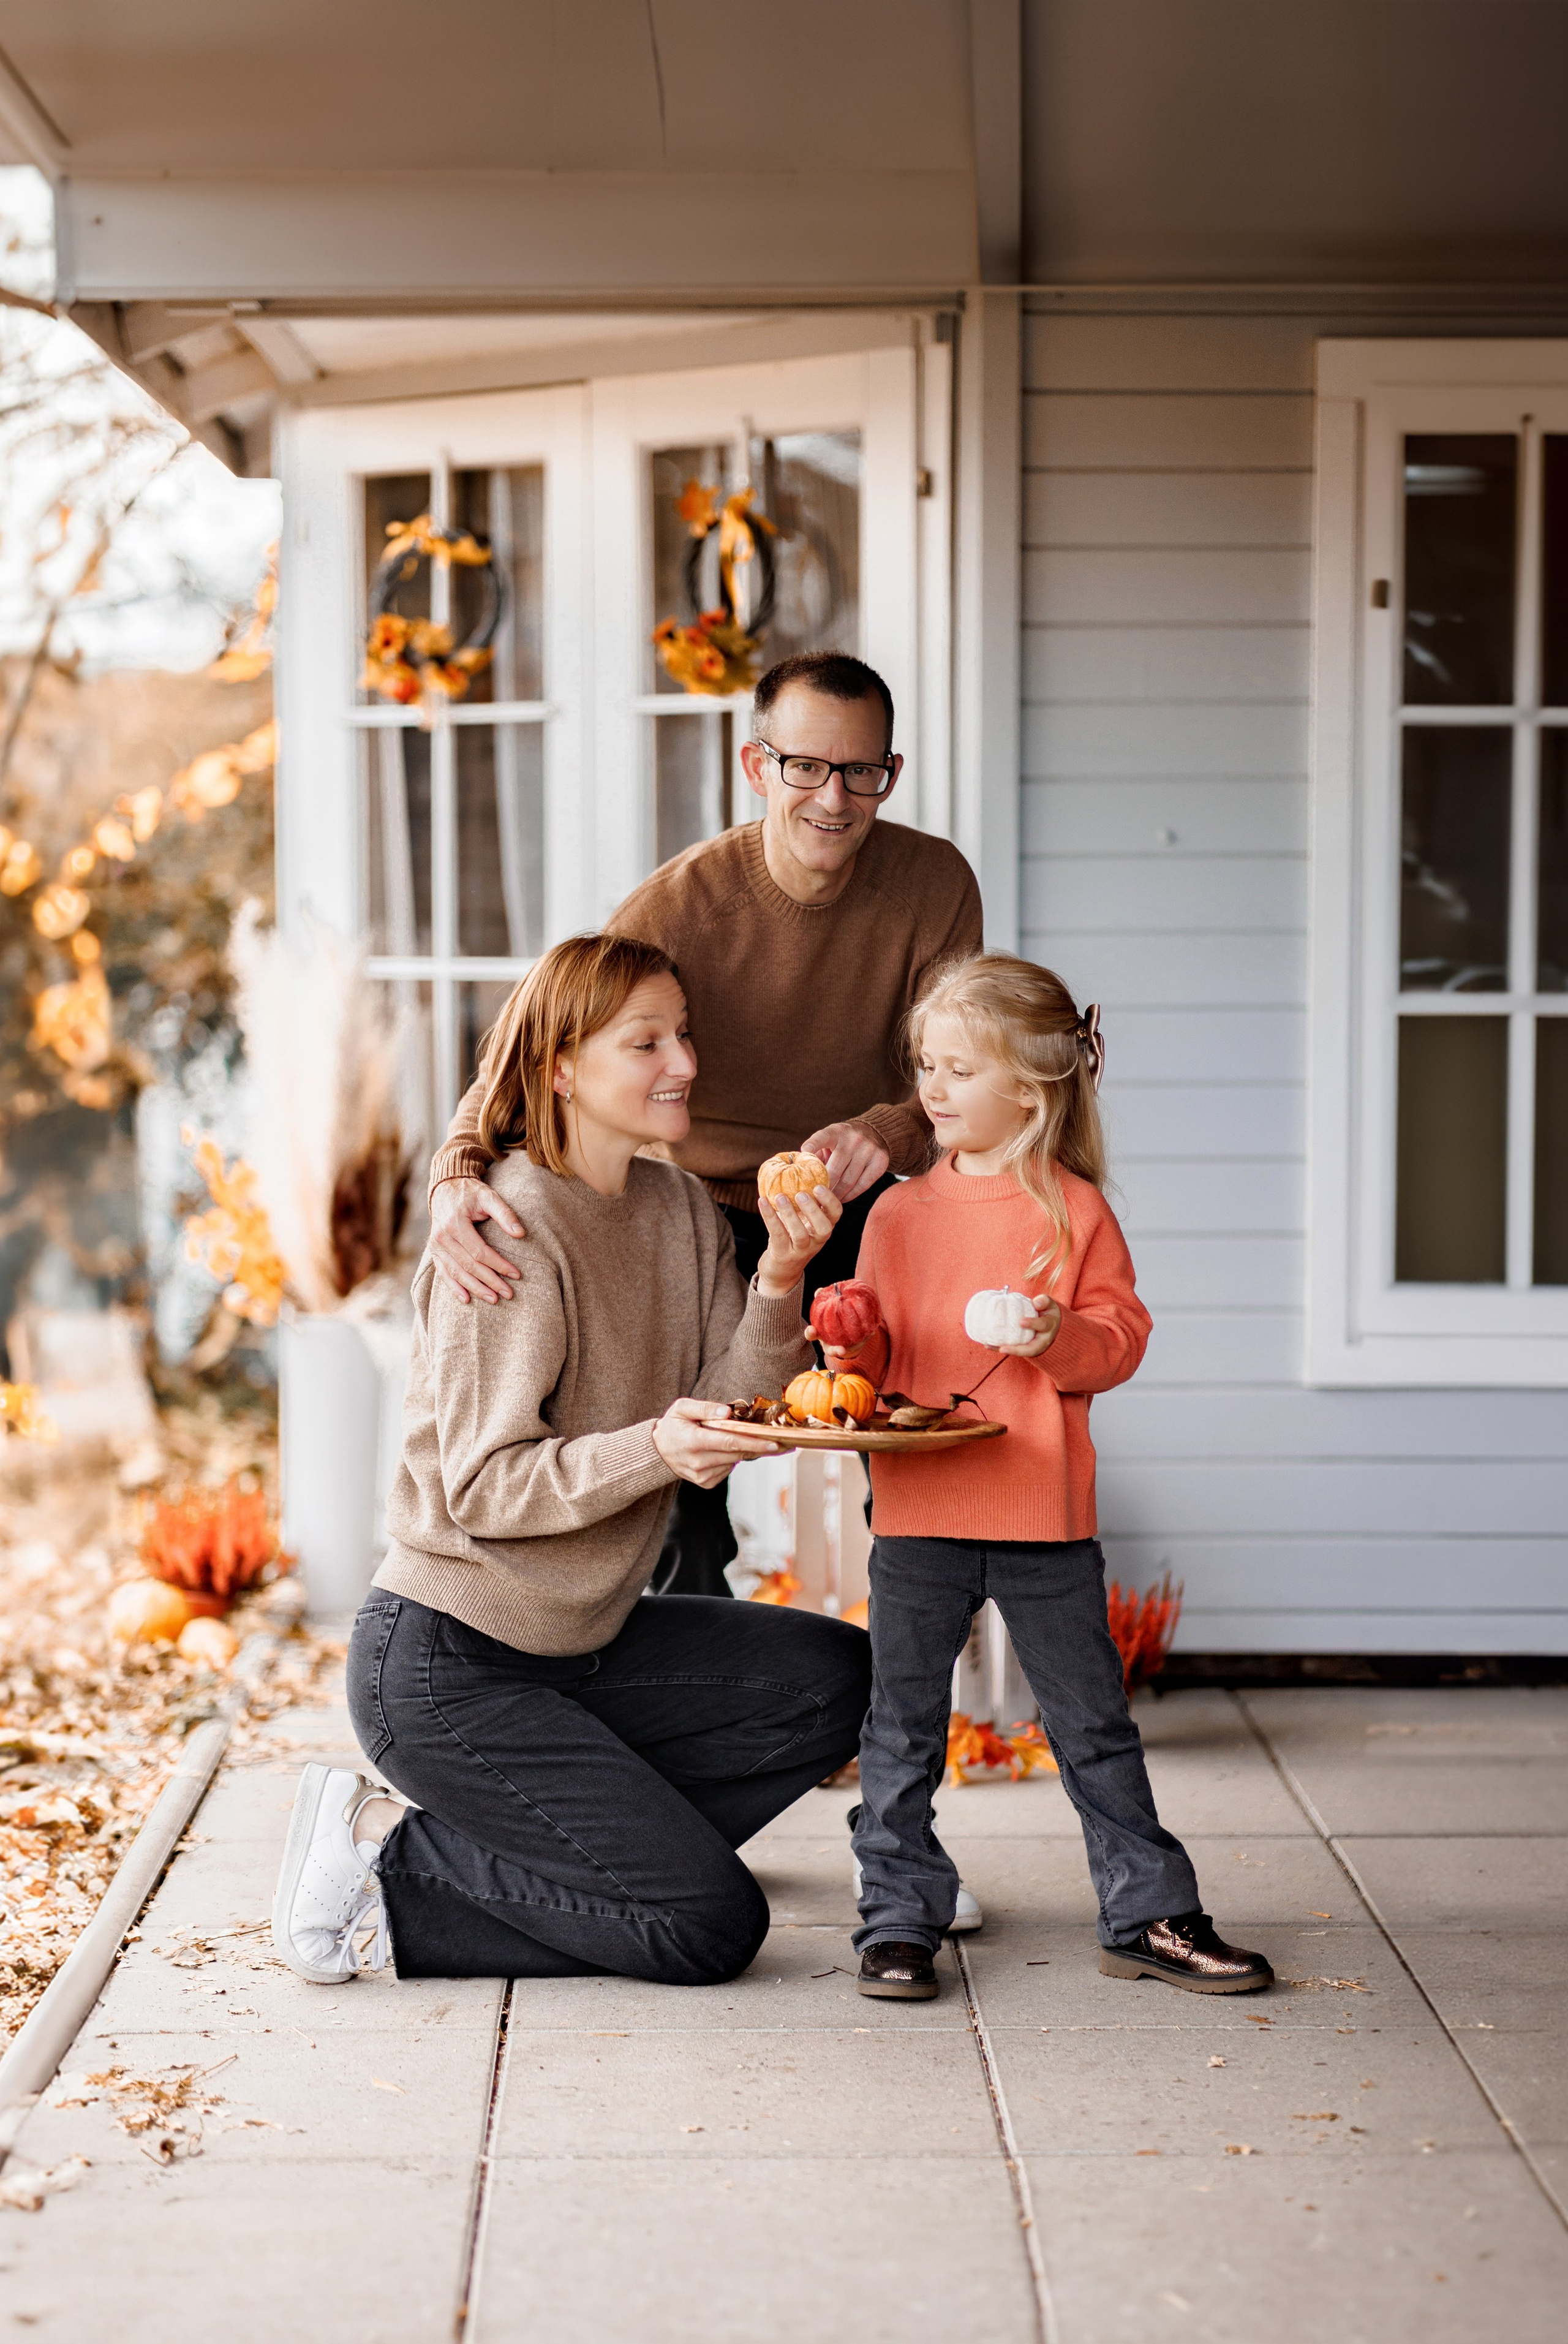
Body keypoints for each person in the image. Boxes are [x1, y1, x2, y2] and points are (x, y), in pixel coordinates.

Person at [271, 933, 870, 1989]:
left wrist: (782, 1268)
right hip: (449, 1663)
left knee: (832, 1679)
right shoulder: (506, 1228)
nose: (682, 1061)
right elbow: (484, 1487)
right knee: (709, 1928)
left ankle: (618, 1863)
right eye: (646, 1042)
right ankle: (379, 1856)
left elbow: (745, 1387)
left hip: (586, 1641)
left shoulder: (679, 1206)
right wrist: (655, 1448)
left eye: (682, 1034)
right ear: (561, 1066)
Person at [424, 651, 982, 1603]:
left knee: (906, 1443)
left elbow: (956, 1078)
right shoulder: (679, 906)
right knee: (682, 1465)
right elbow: (540, 1041)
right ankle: (685, 1670)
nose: (835, 798)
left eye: (862, 771)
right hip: (696, 1207)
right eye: (805, 766)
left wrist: (887, 1133)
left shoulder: (935, 886)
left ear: (890, 772)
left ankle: (906, 1691)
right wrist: (456, 1168)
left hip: (859, 1199)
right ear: (756, 765)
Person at [821, 951, 1274, 2002]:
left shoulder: (1073, 1210)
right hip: (921, 1513)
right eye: (926, 1065)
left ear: (1030, 1086)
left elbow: (1119, 1341)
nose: (931, 1089)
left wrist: (1054, 1333)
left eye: (957, 1070)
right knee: (900, 1726)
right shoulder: (893, 1215)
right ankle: (896, 1918)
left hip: (1044, 1514)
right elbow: (876, 1367)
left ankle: (1149, 1910)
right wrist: (848, 1351)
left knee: (1092, 1722)